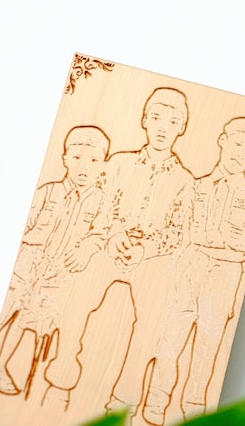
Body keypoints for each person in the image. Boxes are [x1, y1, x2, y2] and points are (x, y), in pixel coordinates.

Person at [142, 116, 245, 424]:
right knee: (170, 339)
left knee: (209, 345)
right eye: (238, 144)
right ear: (222, 140)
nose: (241, 155)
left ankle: (194, 407)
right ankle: (155, 403)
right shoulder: (195, 187)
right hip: (190, 266)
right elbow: (174, 229)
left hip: (226, 273)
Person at [90, 87, 197, 421]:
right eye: (156, 118)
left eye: (173, 120)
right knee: (79, 290)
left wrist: (145, 249)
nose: (163, 127)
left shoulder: (184, 180)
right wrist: (115, 236)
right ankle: (63, 378)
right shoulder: (118, 163)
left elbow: (178, 231)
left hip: (150, 260)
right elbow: (102, 205)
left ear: (182, 127)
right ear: (144, 120)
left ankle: (122, 400)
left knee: (152, 320)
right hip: (109, 249)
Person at [0, 125, 113, 401]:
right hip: (24, 269)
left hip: (55, 276)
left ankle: (0, 366)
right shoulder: (47, 191)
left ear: (103, 165)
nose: (84, 167)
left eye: (92, 161)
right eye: (77, 158)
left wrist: (86, 250)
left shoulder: (100, 201)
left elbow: (100, 234)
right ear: (65, 158)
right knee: (5, 311)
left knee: (27, 319)